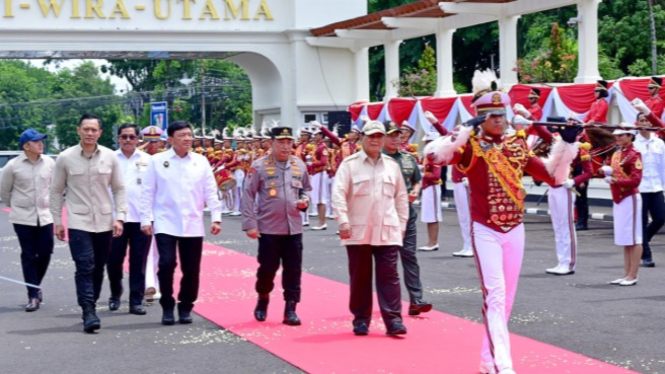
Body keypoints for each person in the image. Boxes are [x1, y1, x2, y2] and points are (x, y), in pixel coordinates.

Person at [424, 69, 579, 374]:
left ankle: (487, 359)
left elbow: (552, 176)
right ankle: (503, 366)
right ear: (480, 118)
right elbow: (434, 157)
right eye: (492, 115)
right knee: (494, 295)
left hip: (515, 229)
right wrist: (462, 133)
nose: (499, 119)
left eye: (501, 114)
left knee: (506, 300)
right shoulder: (469, 147)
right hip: (486, 230)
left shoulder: (517, 146)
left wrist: (566, 145)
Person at [50, 114, 127, 333]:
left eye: (94, 130)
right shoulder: (65, 158)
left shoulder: (110, 157)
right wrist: (57, 221)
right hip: (78, 221)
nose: (90, 133)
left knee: (98, 267)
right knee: (84, 265)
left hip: (104, 222)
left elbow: (119, 188)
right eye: (86, 129)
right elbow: (56, 191)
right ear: (79, 131)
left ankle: (91, 304)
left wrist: (120, 216)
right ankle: (88, 311)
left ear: (100, 133)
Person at [140, 120, 222, 325]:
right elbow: (147, 192)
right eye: (182, 135)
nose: (187, 139)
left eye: (189, 134)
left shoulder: (200, 161)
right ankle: (167, 305)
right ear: (170, 139)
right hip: (165, 221)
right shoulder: (157, 161)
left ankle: (186, 306)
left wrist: (216, 217)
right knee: (166, 263)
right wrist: (145, 219)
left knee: (191, 268)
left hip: (192, 223)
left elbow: (210, 190)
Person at [332, 120, 409, 337]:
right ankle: (361, 319)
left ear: (384, 139)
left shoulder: (392, 166)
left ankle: (393, 320)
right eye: (371, 137)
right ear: (362, 139)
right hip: (358, 229)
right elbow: (338, 194)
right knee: (360, 278)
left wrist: (401, 225)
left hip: (387, 229)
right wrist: (343, 221)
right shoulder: (349, 164)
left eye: (379, 137)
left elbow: (401, 197)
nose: (375, 140)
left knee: (390, 277)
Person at [241, 127, 312, 325]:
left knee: (294, 269)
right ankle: (263, 298)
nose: (285, 146)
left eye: (289, 142)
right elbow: (248, 195)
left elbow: (307, 189)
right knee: (267, 269)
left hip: (294, 228)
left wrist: (305, 200)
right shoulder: (260, 166)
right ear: (271, 143)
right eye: (281, 142)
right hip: (269, 228)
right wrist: (250, 224)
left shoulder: (299, 165)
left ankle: (290, 308)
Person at [529, 117, 593, 275]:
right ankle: (561, 261)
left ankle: (569, 263)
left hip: (566, 188)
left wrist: (573, 181)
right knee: (557, 226)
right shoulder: (558, 142)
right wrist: (530, 118)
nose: (564, 132)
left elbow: (589, 172)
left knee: (567, 227)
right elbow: (542, 132)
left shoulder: (580, 148)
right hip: (553, 187)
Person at [0, 129, 55, 312]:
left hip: (45, 215)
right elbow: (4, 191)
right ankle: (32, 294)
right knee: (29, 255)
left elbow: (55, 187)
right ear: (26, 146)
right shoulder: (12, 166)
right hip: (22, 217)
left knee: (46, 251)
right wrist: (16, 206)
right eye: (36, 141)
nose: (41, 144)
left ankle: (35, 284)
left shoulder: (49, 163)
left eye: (41, 140)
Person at [382, 123, 432, 316]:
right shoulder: (379, 160)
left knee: (409, 255)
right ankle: (391, 301)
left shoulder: (408, 158)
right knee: (388, 260)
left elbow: (417, 179)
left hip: (407, 215)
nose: (396, 138)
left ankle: (416, 299)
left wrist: (415, 190)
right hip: (386, 215)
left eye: (398, 135)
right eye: (391, 135)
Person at [105, 124, 152, 315]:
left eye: (132, 137)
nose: (128, 140)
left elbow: (153, 189)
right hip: (116, 219)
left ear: (138, 139)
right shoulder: (109, 160)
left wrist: (149, 217)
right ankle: (116, 294)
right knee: (114, 261)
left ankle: (136, 300)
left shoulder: (149, 160)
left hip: (141, 218)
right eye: (124, 136)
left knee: (138, 261)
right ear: (118, 138)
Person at [601, 124, 643, 286]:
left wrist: (615, 180)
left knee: (634, 237)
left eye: (622, 135)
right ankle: (626, 274)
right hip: (619, 197)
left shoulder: (634, 154)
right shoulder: (618, 153)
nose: (617, 137)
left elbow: (635, 180)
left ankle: (633, 275)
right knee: (626, 238)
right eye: (617, 135)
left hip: (629, 197)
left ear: (630, 136)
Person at [631, 100, 665, 268]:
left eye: (646, 120)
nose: (644, 123)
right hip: (640, 188)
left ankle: (645, 241)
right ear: (637, 124)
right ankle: (646, 254)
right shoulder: (634, 145)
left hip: (656, 186)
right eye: (641, 121)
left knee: (660, 218)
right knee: (641, 221)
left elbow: (663, 166)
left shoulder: (659, 143)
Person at [419, 132, 443, 251]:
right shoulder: (428, 155)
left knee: (433, 216)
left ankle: (433, 242)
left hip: (432, 186)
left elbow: (436, 175)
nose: (426, 144)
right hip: (427, 187)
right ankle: (430, 241)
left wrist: (422, 174)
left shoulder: (436, 155)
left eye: (428, 142)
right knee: (428, 216)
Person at [307, 127, 329, 230]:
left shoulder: (322, 147)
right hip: (315, 173)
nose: (314, 137)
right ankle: (321, 222)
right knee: (317, 198)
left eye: (316, 135)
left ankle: (322, 222)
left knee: (321, 199)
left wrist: (313, 164)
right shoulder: (317, 146)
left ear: (321, 135)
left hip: (320, 173)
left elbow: (324, 162)